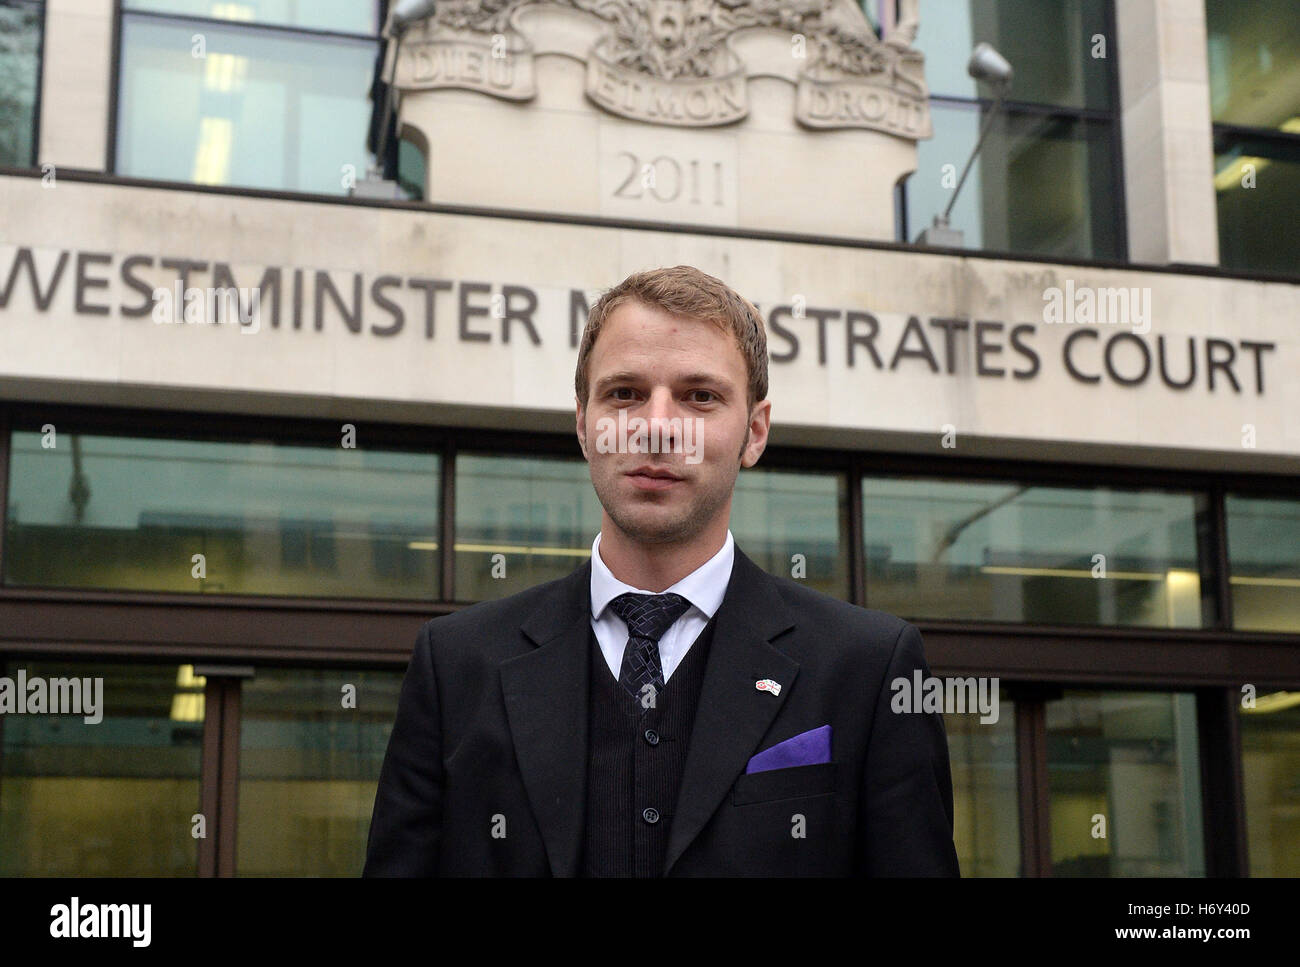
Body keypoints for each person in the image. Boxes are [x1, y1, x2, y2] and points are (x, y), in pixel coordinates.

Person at [363, 264, 960, 876]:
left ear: (754, 432)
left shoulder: (866, 667)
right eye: (623, 393)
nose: (655, 428)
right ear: (582, 423)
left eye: (700, 396)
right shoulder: (457, 665)